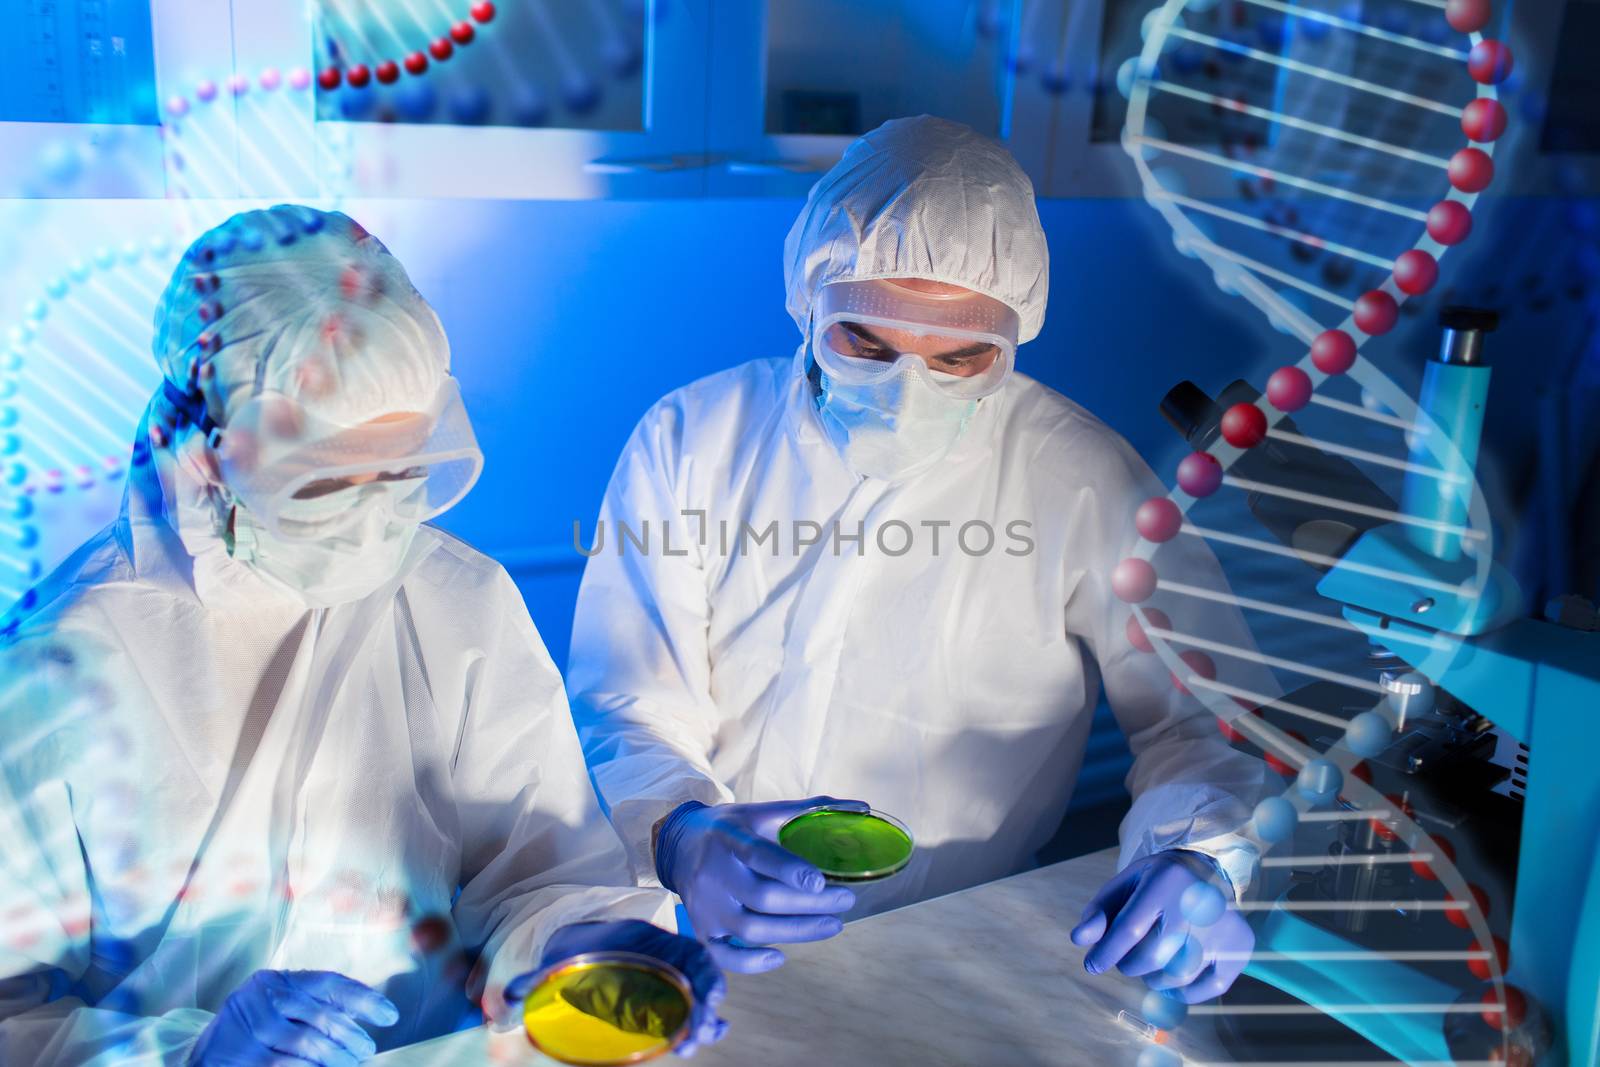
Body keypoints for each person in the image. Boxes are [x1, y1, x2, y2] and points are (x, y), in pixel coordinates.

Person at [0, 206, 726, 1064]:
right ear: (205, 453)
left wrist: (591, 947)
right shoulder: (65, 658)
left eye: (403, 470)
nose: (375, 519)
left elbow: (537, 870)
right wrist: (189, 1057)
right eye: (327, 483)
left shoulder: (459, 600)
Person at [567, 116, 1271, 1001]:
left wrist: (1199, 858)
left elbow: (1203, 718)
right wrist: (685, 835)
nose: (908, 392)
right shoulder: (693, 440)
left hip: (959, 943)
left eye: (963, 356)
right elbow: (632, 699)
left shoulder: (1086, 480)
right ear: (808, 301)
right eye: (865, 341)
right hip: (707, 931)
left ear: (1017, 334)